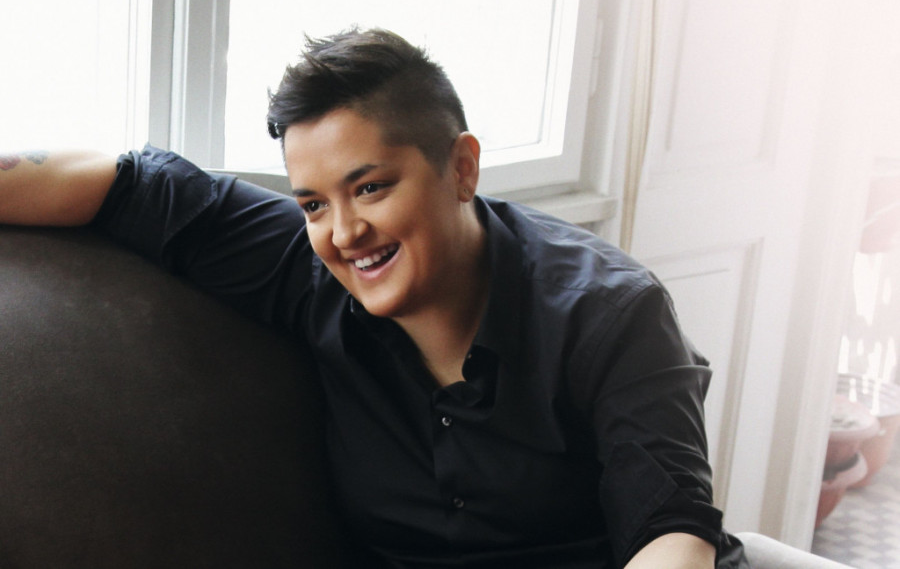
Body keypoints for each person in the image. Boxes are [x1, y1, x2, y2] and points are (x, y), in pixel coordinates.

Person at [2, 28, 747, 568]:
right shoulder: (313, 269)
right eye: (312, 203)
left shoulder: (610, 311)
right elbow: (130, 185)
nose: (344, 233)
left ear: (462, 168)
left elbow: (672, 533)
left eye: (370, 188)